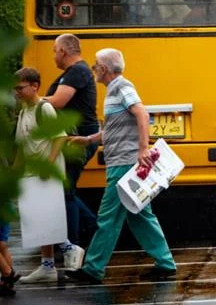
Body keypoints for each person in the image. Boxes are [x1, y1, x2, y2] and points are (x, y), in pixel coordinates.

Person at [66, 49, 176, 284]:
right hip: (123, 162)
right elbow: (112, 129)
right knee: (140, 215)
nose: (93, 70)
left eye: (96, 66)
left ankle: (93, 268)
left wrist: (143, 148)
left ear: (104, 69)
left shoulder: (121, 87)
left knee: (108, 217)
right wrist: (88, 140)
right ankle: (165, 263)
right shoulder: (113, 91)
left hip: (123, 164)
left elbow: (142, 114)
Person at [13, 68, 86, 283]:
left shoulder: (44, 108)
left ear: (34, 86)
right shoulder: (24, 112)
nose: (17, 92)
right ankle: (47, 266)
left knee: (44, 217)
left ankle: (70, 248)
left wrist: (48, 164)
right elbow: (21, 146)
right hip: (31, 174)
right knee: (39, 218)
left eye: (20, 88)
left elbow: (59, 138)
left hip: (46, 173)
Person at [45, 34, 99, 248]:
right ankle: (94, 232)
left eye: (54, 51)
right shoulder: (74, 72)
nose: (53, 56)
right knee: (65, 190)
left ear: (63, 51)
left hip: (79, 138)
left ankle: (75, 244)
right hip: (75, 137)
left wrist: (33, 99)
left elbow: (58, 101)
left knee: (65, 190)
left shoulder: (77, 71)